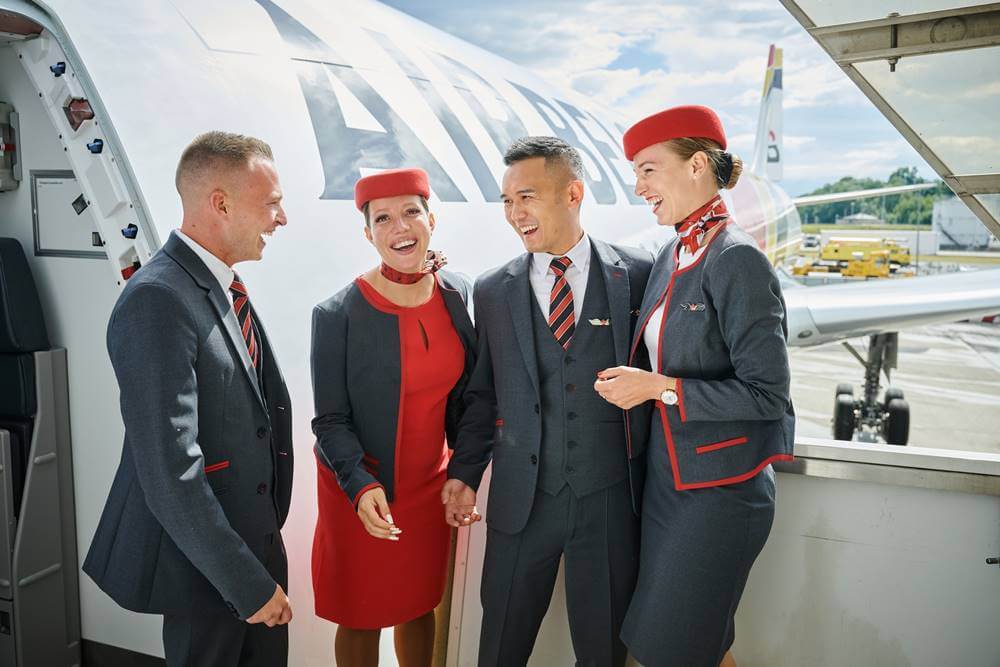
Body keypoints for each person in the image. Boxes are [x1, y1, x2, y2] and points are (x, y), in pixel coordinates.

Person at [594, 105, 795, 667]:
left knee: (672, 647)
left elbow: (768, 396)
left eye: (648, 170)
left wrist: (661, 388)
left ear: (697, 166)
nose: (638, 187)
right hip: (668, 485)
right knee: (689, 645)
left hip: (721, 493)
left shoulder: (737, 262)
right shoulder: (673, 252)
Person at [83, 131, 294, 666]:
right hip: (209, 573)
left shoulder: (217, 284)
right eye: (271, 203)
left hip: (252, 549)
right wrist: (248, 585)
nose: (282, 218)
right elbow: (170, 469)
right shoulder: (157, 299)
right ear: (220, 204)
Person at [444, 136, 654, 666]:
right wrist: (465, 472)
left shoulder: (636, 273)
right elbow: (483, 393)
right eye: (508, 201)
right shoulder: (492, 290)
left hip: (608, 500)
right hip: (522, 502)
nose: (515, 214)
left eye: (528, 197)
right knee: (499, 650)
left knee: (604, 652)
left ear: (573, 193)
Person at [310, 168, 479, 667]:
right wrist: (361, 486)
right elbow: (330, 420)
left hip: (431, 484)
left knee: (419, 603)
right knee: (360, 614)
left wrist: (464, 471)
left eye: (410, 212)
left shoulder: (459, 293)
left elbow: (471, 396)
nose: (399, 227)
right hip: (358, 485)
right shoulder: (336, 313)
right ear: (368, 234)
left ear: (432, 219)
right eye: (382, 218)